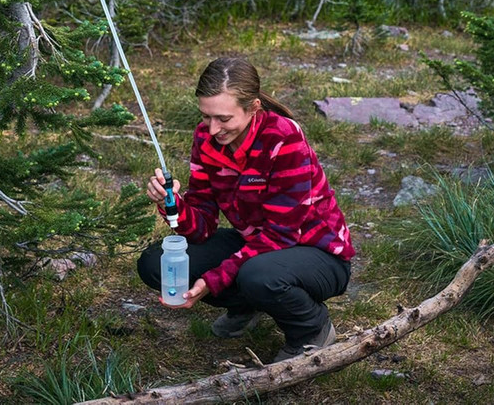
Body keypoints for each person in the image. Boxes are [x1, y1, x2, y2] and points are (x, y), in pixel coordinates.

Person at [137, 57, 355, 362]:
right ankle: (248, 304)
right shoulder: (206, 138)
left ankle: (312, 329)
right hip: (257, 244)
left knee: (258, 274)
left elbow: (281, 236)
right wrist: (170, 203)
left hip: (317, 252)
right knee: (157, 262)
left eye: (224, 119)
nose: (213, 129)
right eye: (206, 117)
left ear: (253, 108)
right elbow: (202, 225)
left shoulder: (283, 138)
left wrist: (213, 280)